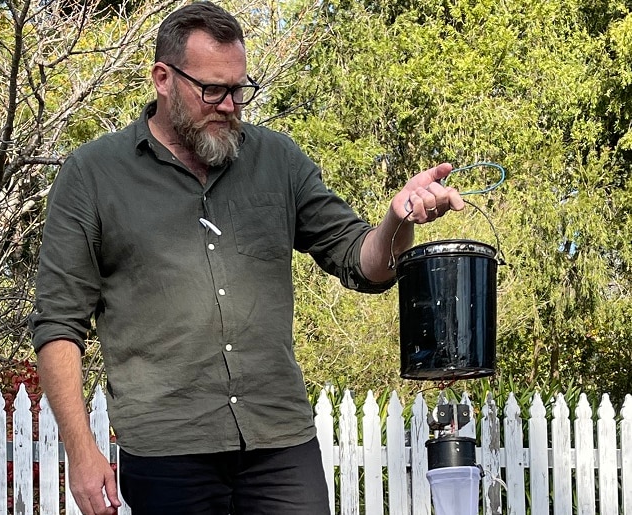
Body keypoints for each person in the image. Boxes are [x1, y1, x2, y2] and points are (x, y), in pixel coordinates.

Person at [30, 2, 464, 514]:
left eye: (239, 89)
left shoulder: (277, 160)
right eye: (212, 90)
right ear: (162, 79)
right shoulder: (92, 175)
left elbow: (362, 262)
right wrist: (81, 452)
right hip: (167, 449)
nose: (230, 105)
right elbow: (59, 323)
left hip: (279, 441)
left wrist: (399, 218)